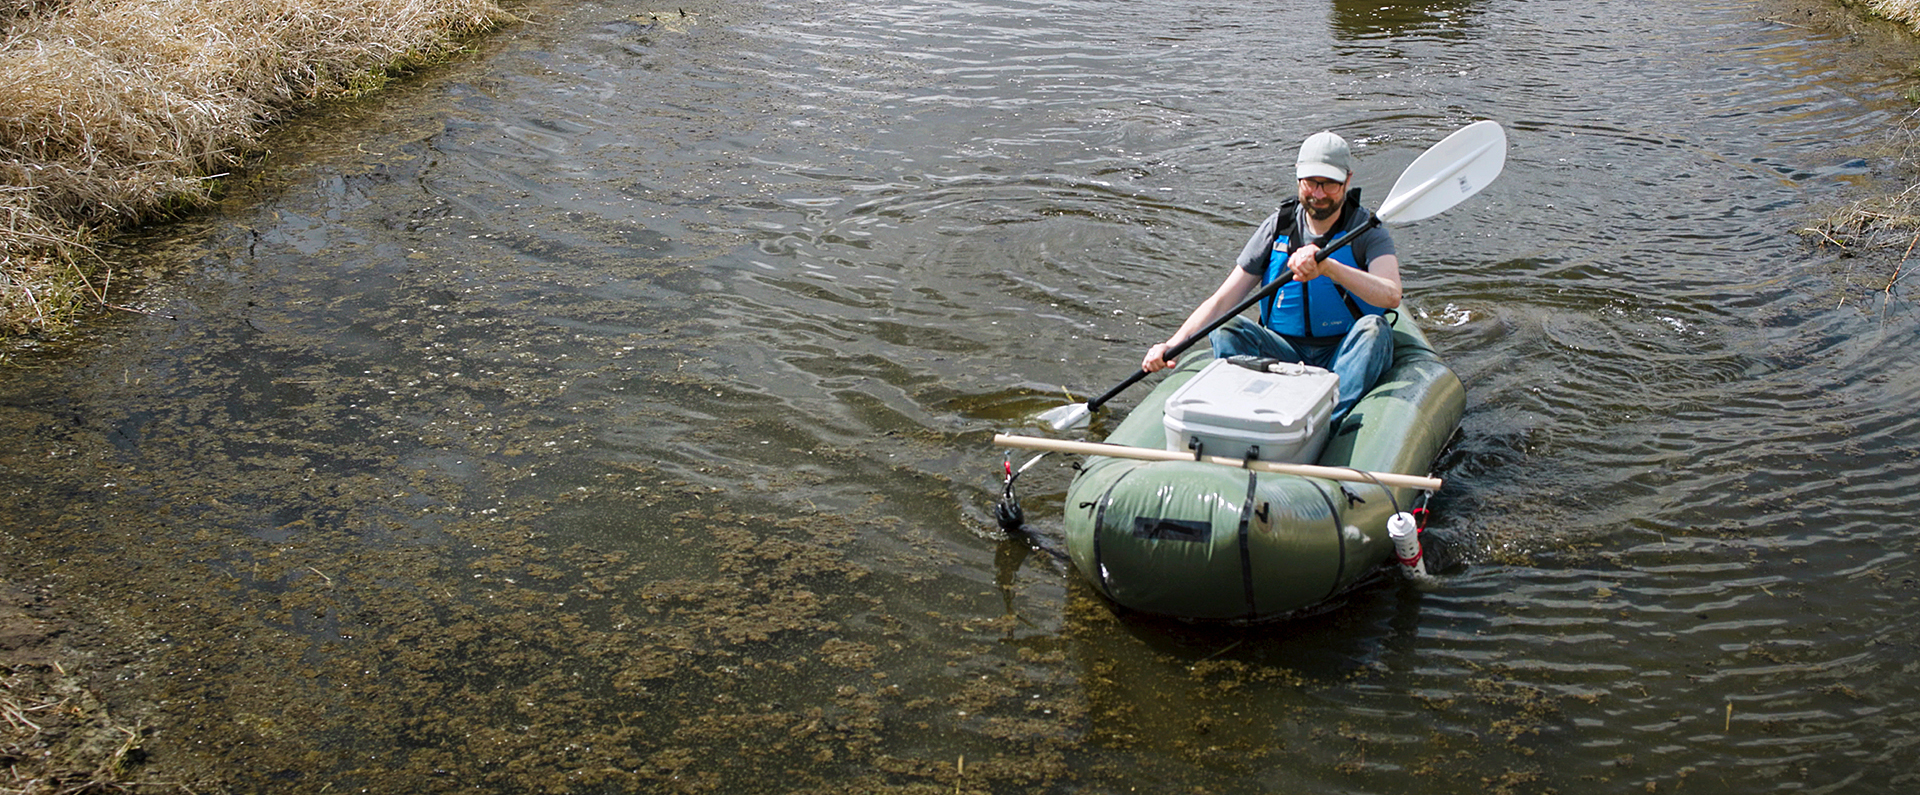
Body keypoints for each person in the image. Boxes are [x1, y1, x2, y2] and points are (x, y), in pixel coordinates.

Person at [1141, 130, 1401, 426]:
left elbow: (1391, 294)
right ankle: (1246, 414)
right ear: (1298, 178)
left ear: (1348, 181)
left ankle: (1328, 423)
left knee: (1373, 329)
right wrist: (1170, 344)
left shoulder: (1368, 231)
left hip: (1342, 351)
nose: (1318, 193)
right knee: (1224, 326)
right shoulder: (1278, 226)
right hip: (1283, 354)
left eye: (1329, 184)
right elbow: (1223, 300)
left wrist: (1329, 267)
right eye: (1311, 182)